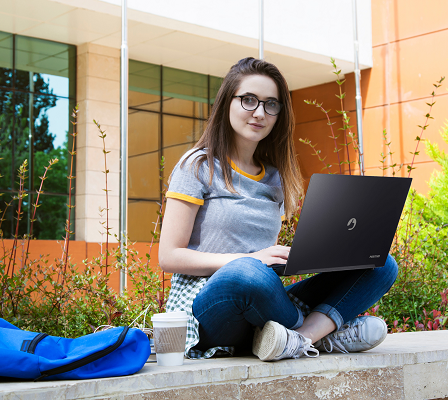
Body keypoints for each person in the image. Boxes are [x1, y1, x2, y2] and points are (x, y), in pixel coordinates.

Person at [158, 57, 398, 361]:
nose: (260, 113)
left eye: (271, 105)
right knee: (246, 273)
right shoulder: (197, 166)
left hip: (261, 296)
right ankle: (324, 335)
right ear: (226, 103)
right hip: (211, 305)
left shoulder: (275, 176)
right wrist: (251, 259)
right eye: (248, 100)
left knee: (381, 263)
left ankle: (299, 338)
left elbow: (264, 259)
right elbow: (169, 256)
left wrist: (304, 257)